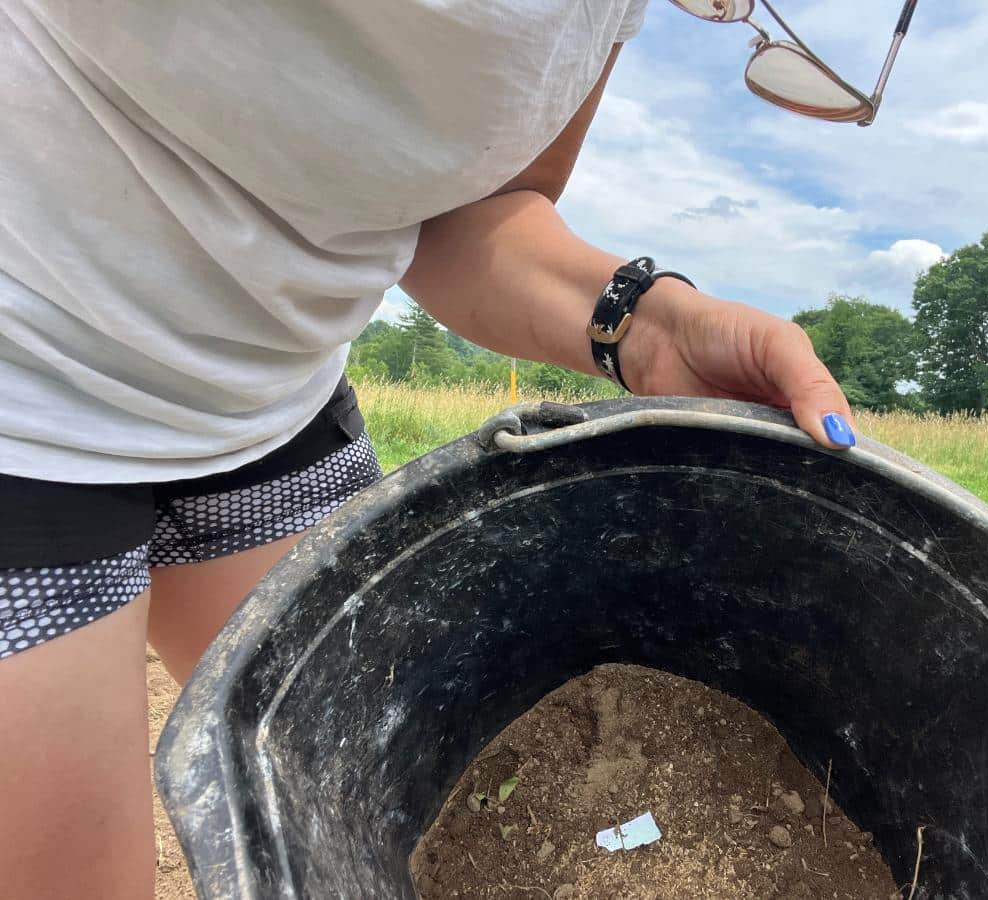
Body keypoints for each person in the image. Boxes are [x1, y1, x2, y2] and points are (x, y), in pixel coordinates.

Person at [0, 2, 854, 896]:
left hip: (268, 402)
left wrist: (643, 326)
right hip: (25, 390)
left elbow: (472, 219)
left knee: (384, 797)